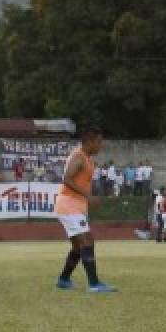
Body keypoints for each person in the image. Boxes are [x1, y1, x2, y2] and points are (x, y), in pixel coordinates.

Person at [54, 126, 117, 293]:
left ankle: (63, 280)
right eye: (98, 142)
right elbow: (66, 178)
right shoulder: (79, 156)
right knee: (87, 241)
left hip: (75, 205)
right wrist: (88, 196)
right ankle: (94, 284)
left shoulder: (88, 158)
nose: (100, 146)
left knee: (77, 246)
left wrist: (88, 197)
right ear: (89, 142)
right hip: (69, 205)